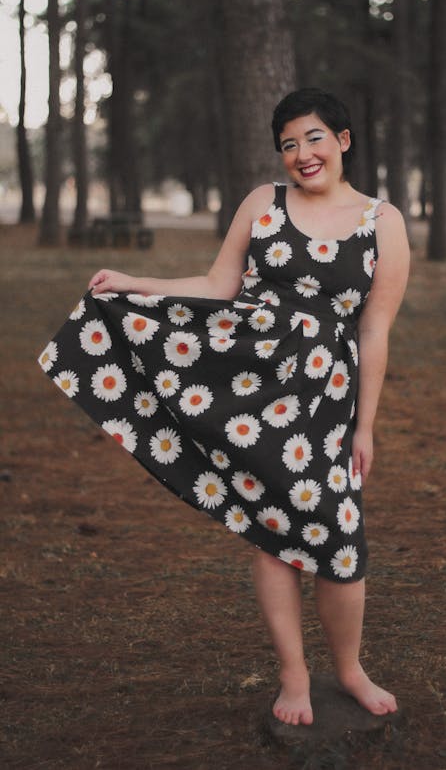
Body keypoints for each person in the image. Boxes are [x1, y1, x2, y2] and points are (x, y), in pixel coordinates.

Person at [38, 87, 410, 727]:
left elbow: (375, 331)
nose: (302, 154)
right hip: (251, 381)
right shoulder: (263, 204)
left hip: (327, 396)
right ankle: (294, 676)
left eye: (314, 137)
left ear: (343, 140)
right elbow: (216, 286)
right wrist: (133, 284)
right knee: (273, 533)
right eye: (289, 144)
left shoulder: (384, 222)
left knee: (339, 537)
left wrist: (366, 425)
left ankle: (348, 669)